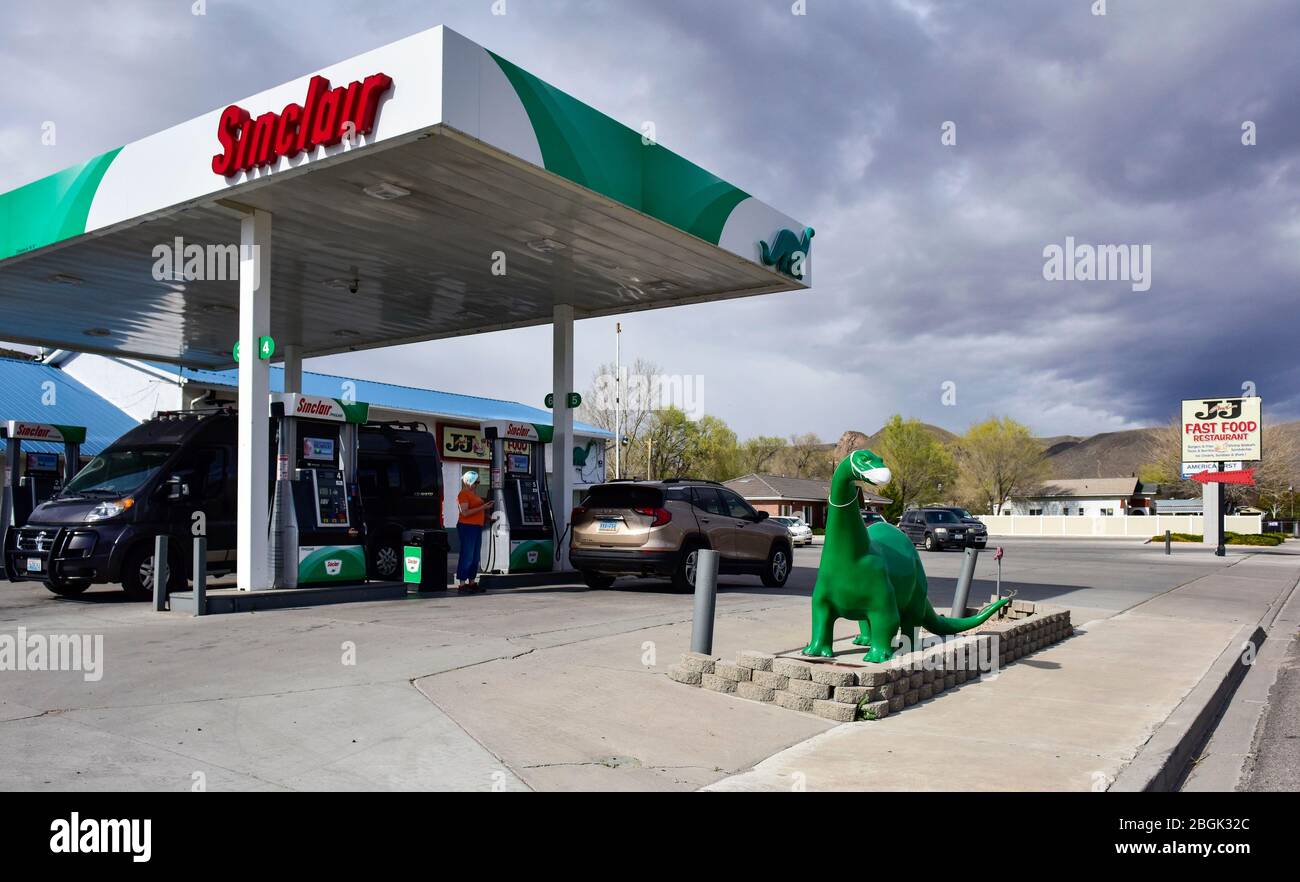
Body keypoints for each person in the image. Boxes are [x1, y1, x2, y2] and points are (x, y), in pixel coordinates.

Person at [455, 471, 493, 592]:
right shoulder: (463, 494)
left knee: (475, 557)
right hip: (467, 527)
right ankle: (461, 583)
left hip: (477, 527)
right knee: (467, 555)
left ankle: (471, 582)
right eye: (475, 482)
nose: (477, 484)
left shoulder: (473, 494)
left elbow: (476, 511)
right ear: (468, 481)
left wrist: (488, 517)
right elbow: (465, 512)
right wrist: (484, 507)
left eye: (478, 482)